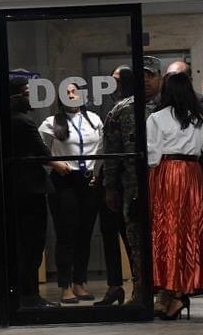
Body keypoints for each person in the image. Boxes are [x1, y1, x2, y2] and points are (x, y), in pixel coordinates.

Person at [146, 72, 203, 320]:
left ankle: (168, 291)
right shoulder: (202, 119)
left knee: (166, 232)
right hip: (193, 175)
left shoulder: (156, 118)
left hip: (166, 175)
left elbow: (152, 157)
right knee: (190, 232)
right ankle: (180, 293)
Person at [103, 56, 162, 306]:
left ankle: (168, 292)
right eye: (142, 76)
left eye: (151, 75)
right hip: (133, 187)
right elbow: (111, 152)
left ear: (160, 78)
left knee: (166, 238)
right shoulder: (122, 110)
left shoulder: (171, 107)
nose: (146, 80)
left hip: (168, 184)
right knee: (136, 240)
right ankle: (141, 291)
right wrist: (110, 187)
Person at [38, 83, 104, 304]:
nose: (72, 95)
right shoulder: (51, 123)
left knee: (85, 234)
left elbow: (102, 148)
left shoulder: (94, 119)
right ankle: (65, 286)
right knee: (66, 235)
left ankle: (79, 283)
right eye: (67, 92)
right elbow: (37, 151)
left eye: (75, 91)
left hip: (89, 181)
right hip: (64, 180)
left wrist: (99, 172)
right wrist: (54, 164)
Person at [9, 77, 66, 309]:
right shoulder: (24, 121)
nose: (29, 98)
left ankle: (21, 295)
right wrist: (59, 165)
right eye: (26, 93)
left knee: (20, 245)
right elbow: (42, 152)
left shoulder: (3, 121)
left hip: (13, 189)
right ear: (14, 96)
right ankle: (30, 296)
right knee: (33, 244)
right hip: (30, 189)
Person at [95, 65, 134, 306]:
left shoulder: (132, 108)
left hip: (126, 183)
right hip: (109, 180)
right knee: (109, 233)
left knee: (132, 236)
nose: (112, 85)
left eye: (117, 80)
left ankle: (140, 286)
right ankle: (115, 286)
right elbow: (106, 149)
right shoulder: (114, 110)